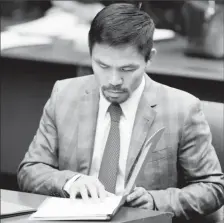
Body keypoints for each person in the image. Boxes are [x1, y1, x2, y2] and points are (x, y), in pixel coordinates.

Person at [17, 3, 224, 222]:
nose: (113, 81)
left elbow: (212, 188)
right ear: (90, 55)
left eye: (127, 69)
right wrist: (70, 182)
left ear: (149, 58)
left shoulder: (182, 108)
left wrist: (156, 201)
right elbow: (30, 170)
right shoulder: (64, 94)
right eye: (103, 66)